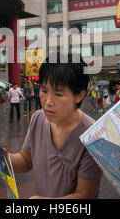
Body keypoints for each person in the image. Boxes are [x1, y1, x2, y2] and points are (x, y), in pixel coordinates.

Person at [9, 52, 103, 198]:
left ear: (80, 95)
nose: (47, 102)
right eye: (44, 91)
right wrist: (0, 157)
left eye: (58, 94)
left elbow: (84, 195)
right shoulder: (38, 118)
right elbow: (26, 160)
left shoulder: (93, 136)